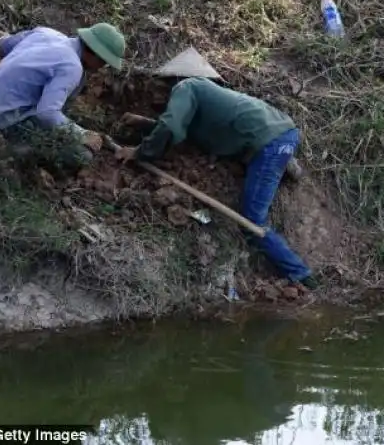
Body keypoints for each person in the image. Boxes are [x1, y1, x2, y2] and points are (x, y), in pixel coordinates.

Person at [113, 52, 318, 290]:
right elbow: (179, 129)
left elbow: (169, 127)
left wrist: (138, 152)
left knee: (251, 221)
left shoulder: (187, 86)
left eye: (163, 83)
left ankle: (301, 275)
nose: (160, 91)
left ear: (176, 78)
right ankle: (285, 164)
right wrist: (145, 123)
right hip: (282, 134)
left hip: (269, 145)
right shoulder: (208, 96)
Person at [0, 23, 126, 169]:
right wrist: (82, 134)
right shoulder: (72, 66)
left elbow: (5, 45)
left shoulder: (47, 33)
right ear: (96, 54)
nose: (101, 68)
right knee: (82, 155)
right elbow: (46, 113)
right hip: (7, 119)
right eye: (103, 62)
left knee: (62, 118)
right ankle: (9, 151)